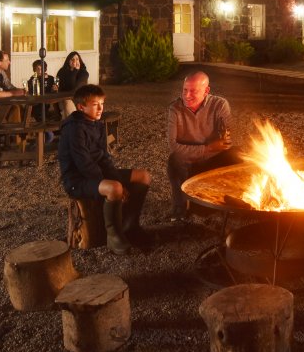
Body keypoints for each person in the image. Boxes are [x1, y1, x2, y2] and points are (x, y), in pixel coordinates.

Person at [58, 84, 152, 254]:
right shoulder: (74, 129)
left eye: (102, 103)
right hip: (77, 180)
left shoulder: (97, 124)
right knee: (114, 188)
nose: (101, 108)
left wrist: (114, 177)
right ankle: (114, 236)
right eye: (95, 104)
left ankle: (130, 225)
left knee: (143, 176)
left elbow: (104, 157)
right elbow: (84, 164)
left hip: (95, 174)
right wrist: (114, 183)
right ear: (81, 107)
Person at [167, 71, 244, 221]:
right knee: (175, 159)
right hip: (188, 160)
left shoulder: (219, 105)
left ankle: (230, 202)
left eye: (193, 91)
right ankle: (181, 209)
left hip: (212, 160)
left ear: (206, 90)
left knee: (238, 154)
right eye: (185, 90)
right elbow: (174, 146)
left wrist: (224, 141)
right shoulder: (175, 109)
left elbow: (227, 141)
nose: (187, 95)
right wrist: (208, 148)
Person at [55, 51, 89, 117]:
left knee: (67, 105)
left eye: (77, 59)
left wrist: (75, 71)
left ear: (80, 61)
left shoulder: (83, 73)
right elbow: (59, 86)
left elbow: (74, 89)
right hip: (63, 99)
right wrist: (56, 88)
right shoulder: (62, 72)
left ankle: (70, 123)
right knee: (65, 101)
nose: (74, 61)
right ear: (68, 61)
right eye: (72, 59)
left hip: (78, 100)